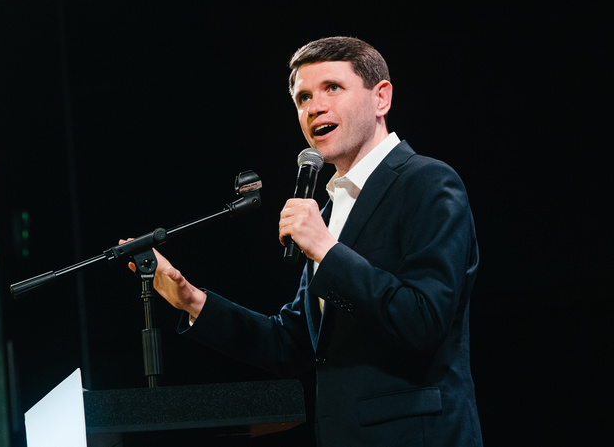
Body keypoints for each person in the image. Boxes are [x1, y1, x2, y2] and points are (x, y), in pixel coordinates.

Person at [132, 36, 482, 446]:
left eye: (332, 88)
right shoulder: (331, 210)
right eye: (302, 97)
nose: (314, 107)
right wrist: (191, 299)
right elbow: (291, 344)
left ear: (380, 98)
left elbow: (424, 320)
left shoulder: (428, 182)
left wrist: (326, 250)